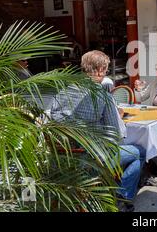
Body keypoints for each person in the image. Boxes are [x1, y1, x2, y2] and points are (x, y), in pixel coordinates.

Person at [50, 50, 145, 212]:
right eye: (106, 71)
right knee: (140, 152)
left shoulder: (64, 90)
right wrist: (117, 116)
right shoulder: (102, 96)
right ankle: (122, 198)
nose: (105, 74)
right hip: (92, 159)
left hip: (61, 157)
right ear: (100, 70)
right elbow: (117, 134)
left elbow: (53, 119)